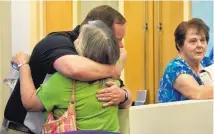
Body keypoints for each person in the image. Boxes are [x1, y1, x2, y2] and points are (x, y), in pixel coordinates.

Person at [2, 5, 132, 134]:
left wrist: (123, 95)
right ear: (100, 33)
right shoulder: (56, 42)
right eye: (117, 40)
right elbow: (75, 70)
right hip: (24, 128)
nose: (120, 46)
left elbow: (124, 95)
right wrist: (114, 69)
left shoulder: (98, 65)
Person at [158, 18, 214, 103]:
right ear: (179, 45)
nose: (199, 45)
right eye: (193, 41)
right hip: (174, 116)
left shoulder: (206, 62)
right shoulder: (174, 68)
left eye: (202, 40)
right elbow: (197, 93)